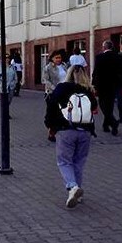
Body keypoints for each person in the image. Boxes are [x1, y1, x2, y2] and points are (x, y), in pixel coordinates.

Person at [44, 65, 98, 209]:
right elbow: (94, 107)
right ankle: (77, 194)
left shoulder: (62, 88)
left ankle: (73, 187)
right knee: (79, 162)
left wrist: (50, 125)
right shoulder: (88, 90)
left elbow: (51, 105)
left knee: (64, 161)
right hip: (85, 131)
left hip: (66, 130)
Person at [92, 40, 121, 136]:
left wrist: (93, 83)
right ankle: (106, 125)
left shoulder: (100, 57)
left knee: (102, 104)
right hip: (113, 84)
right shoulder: (117, 57)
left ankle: (113, 122)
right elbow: (120, 72)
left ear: (104, 47)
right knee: (110, 104)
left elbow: (96, 71)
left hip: (102, 84)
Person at [43, 50, 69, 141]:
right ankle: (51, 132)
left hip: (64, 92)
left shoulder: (64, 66)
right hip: (52, 93)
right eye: (56, 58)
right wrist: (54, 88)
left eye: (60, 57)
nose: (58, 59)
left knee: (63, 112)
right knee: (53, 113)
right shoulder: (48, 68)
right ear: (52, 58)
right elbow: (45, 80)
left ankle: (62, 130)